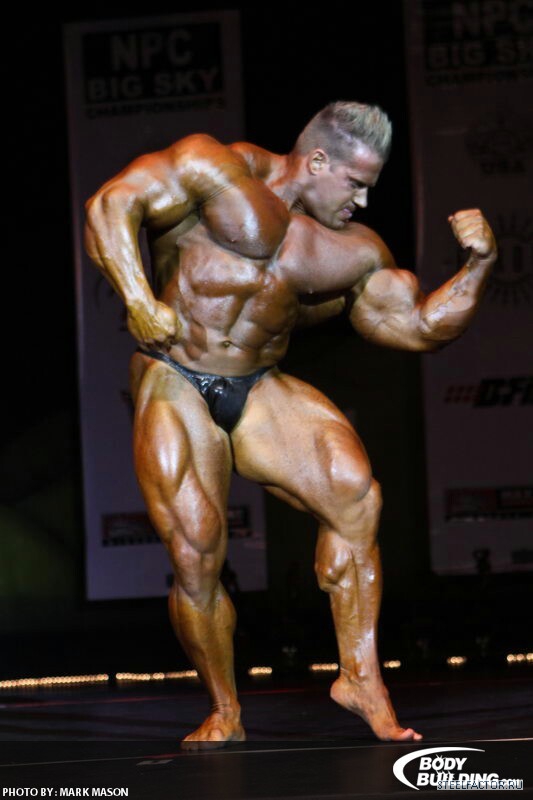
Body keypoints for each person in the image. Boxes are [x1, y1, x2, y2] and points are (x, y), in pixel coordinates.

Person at [85, 101, 497, 748]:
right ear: (318, 161)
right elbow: (110, 206)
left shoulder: (354, 250)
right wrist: (138, 299)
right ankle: (225, 710)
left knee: (354, 495)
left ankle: (360, 679)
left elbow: (418, 328)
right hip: (175, 374)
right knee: (196, 551)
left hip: (257, 383)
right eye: (356, 184)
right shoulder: (211, 168)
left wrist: (478, 264)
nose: (362, 201)